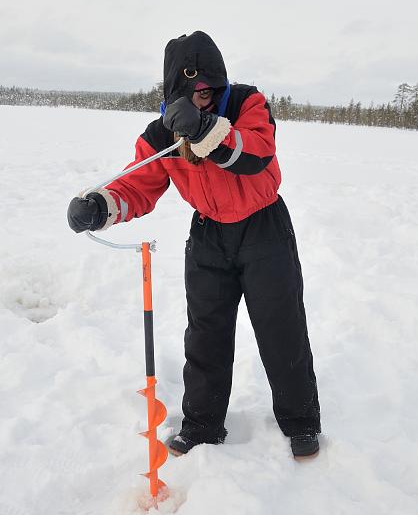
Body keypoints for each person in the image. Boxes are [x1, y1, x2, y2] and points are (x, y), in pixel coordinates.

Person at [67, 31, 321, 460]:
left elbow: (256, 153)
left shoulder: (246, 104)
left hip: (264, 230)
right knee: (205, 335)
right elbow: (139, 183)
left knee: (281, 328)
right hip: (208, 236)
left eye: (209, 89)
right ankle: (202, 424)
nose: (203, 97)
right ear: (174, 91)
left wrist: (205, 129)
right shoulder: (160, 133)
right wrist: (100, 205)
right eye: (192, 91)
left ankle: (301, 422)